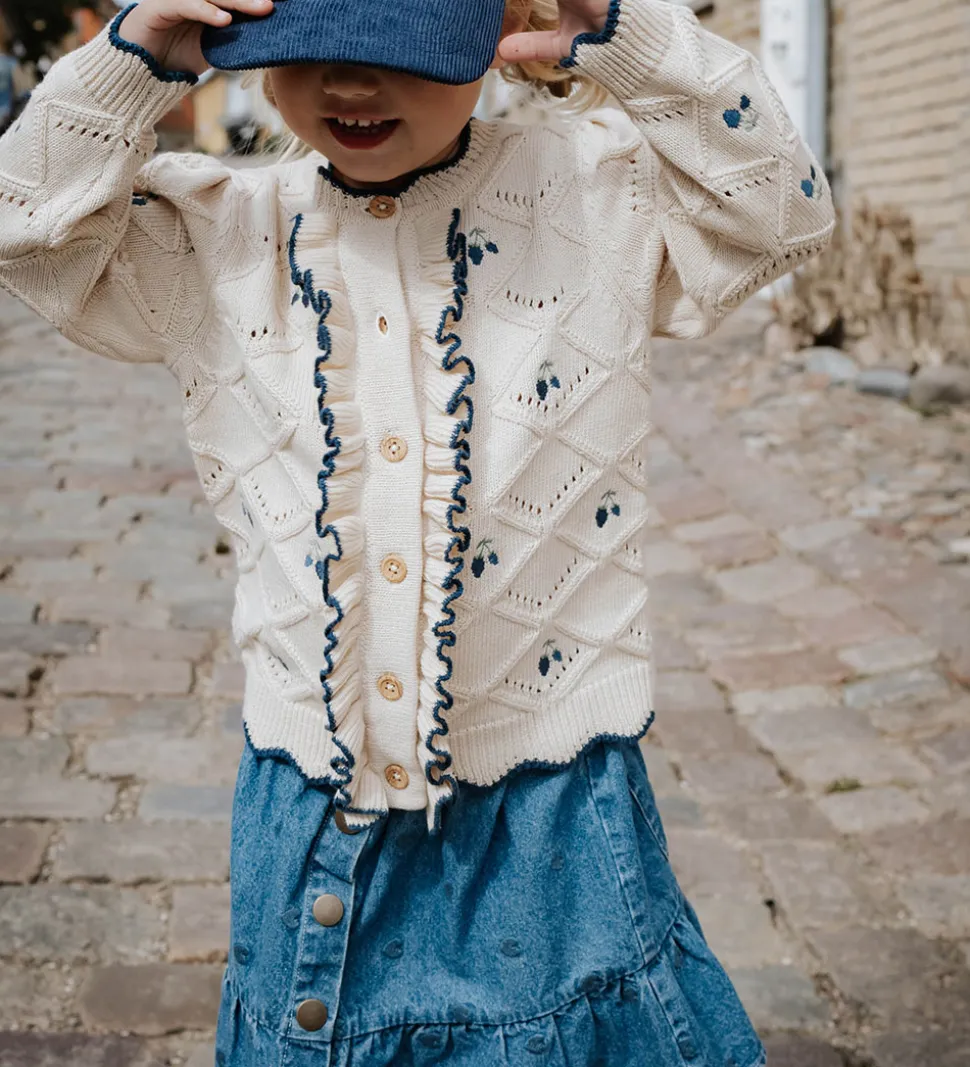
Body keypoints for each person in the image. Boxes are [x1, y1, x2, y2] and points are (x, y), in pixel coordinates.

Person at [0, 0, 834, 1063]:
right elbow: (25, 227)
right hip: (311, 806)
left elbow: (781, 208)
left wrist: (628, 37)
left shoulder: (598, 191)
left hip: (551, 806)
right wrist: (132, 60)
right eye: (311, 50)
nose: (352, 84)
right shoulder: (215, 233)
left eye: (397, 48)